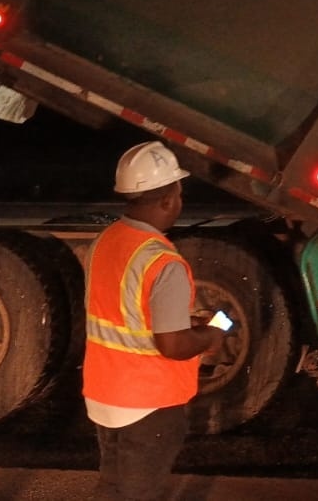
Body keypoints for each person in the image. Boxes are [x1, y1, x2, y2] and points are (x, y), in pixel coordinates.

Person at [84, 141, 227, 501]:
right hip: (147, 402)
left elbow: (124, 311)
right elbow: (173, 345)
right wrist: (210, 336)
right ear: (166, 200)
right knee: (137, 494)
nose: (180, 201)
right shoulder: (163, 262)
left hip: (105, 394)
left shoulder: (106, 241)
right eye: (179, 193)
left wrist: (184, 322)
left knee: (112, 488)